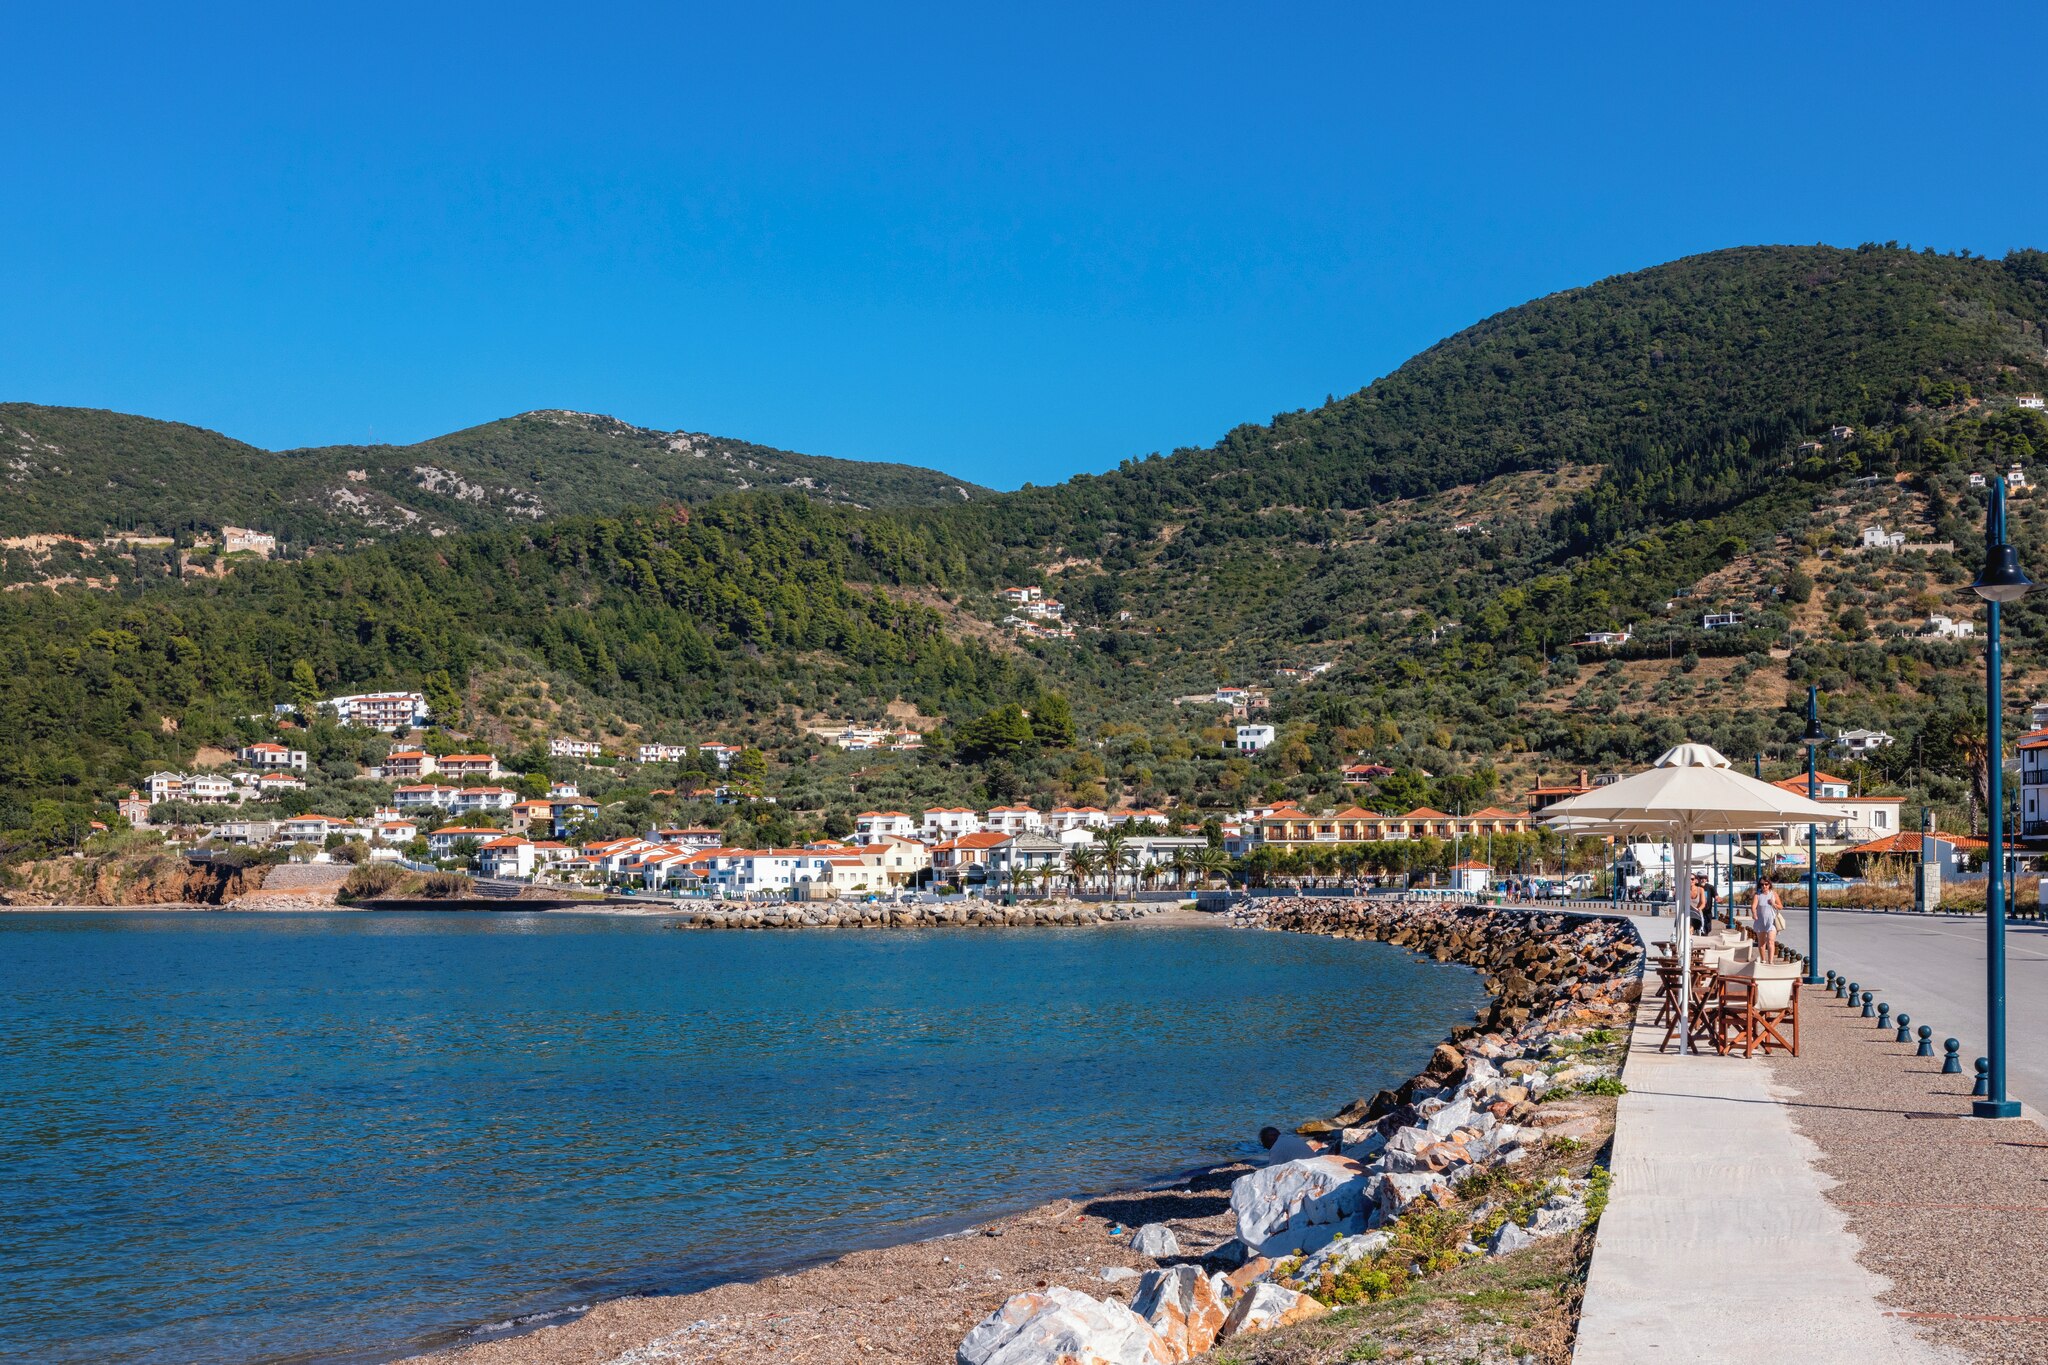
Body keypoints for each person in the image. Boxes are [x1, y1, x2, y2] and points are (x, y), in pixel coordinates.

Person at [1751, 877, 1784, 961]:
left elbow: (1780, 907)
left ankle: (1770, 962)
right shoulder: (1757, 895)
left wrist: (1774, 904)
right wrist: (1754, 914)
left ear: (1769, 885)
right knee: (1761, 942)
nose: (1764, 886)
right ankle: (1763, 960)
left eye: (1766, 884)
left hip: (1771, 921)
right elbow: (1753, 906)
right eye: (1762, 884)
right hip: (1760, 921)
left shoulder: (1773, 894)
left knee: (1770, 941)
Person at [1258, 1125, 1323, 1164]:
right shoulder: (1292, 1139)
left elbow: (1272, 1170)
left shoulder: (1276, 1148)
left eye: (1265, 1145)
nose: (1266, 1148)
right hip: (1316, 1165)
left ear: (1268, 1140)